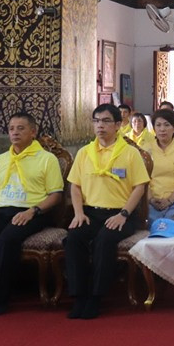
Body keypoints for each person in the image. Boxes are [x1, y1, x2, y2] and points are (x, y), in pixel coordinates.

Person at [0, 112, 64, 315]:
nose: (15, 132)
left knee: (7, 239)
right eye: (11, 128)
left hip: (34, 211)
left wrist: (32, 211)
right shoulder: (1, 159)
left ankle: (1, 299)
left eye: (21, 128)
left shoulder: (46, 158)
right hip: (1, 211)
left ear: (33, 132)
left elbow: (56, 195)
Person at [64, 104, 150, 319]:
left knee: (104, 240)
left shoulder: (130, 153)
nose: (100, 126)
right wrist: (78, 213)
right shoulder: (84, 152)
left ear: (118, 125)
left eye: (105, 121)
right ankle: (78, 295)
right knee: (74, 238)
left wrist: (123, 214)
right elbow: (74, 186)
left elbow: (140, 186)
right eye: (96, 121)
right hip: (89, 213)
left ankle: (96, 296)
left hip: (120, 214)